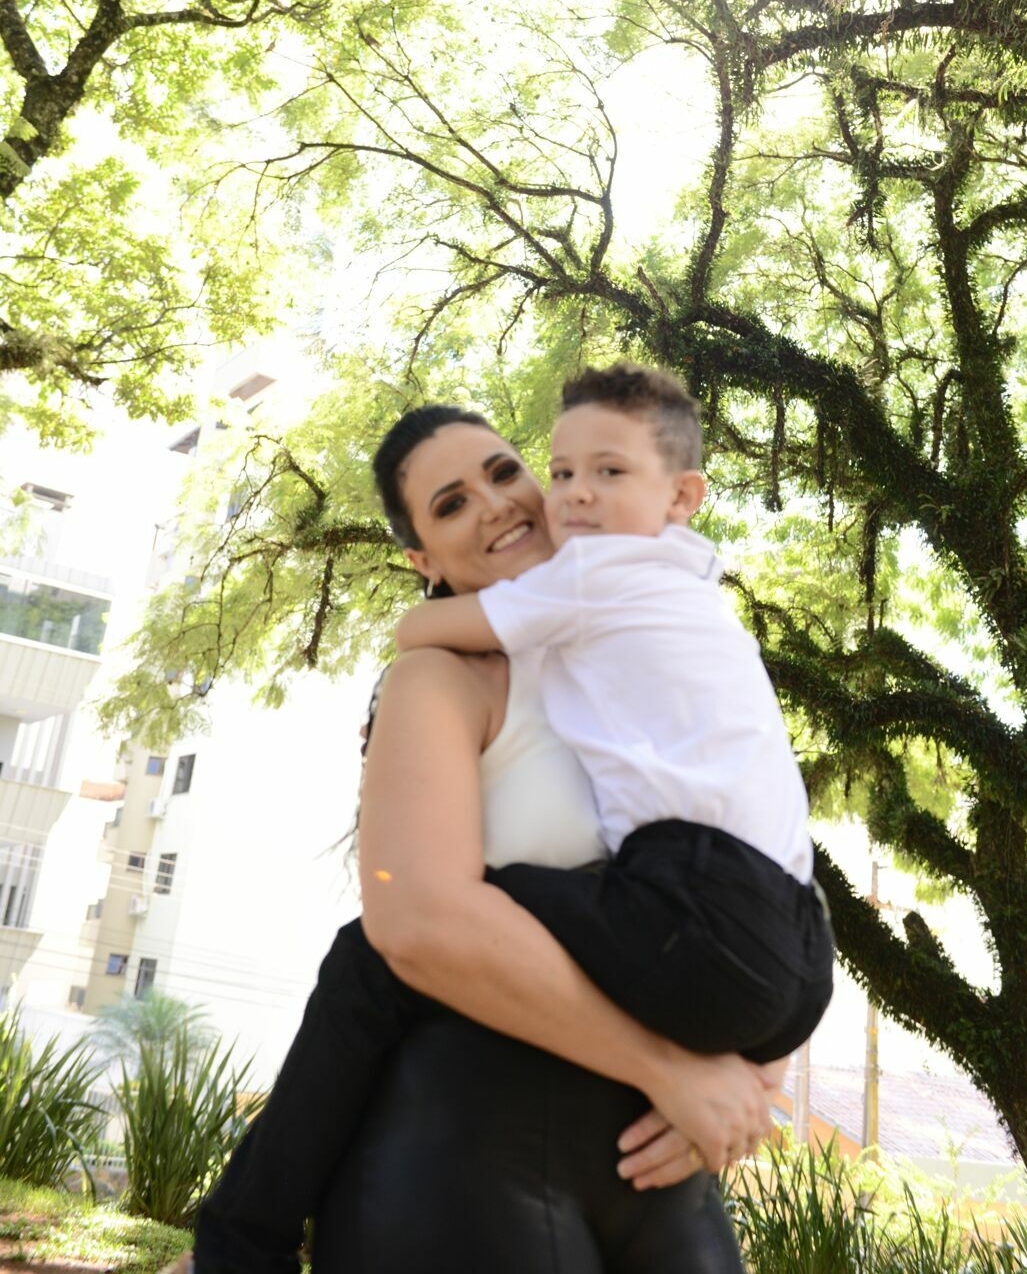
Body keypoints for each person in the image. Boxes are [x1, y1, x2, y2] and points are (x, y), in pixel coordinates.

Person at [193, 400, 784, 1274]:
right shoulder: (439, 676)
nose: (496, 503)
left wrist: (751, 1081)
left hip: (660, 1172)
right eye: (451, 503)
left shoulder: (665, 645)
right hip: (470, 1149)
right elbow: (412, 922)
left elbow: (771, 862)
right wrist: (670, 1069)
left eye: (504, 473)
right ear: (422, 560)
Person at [395, 362, 834, 1062]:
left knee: (466, 908)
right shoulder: (686, 578)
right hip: (801, 950)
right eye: (562, 473)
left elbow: (413, 633)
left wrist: (408, 679)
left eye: (608, 473)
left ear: (682, 494)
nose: (575, 495)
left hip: (698, 905)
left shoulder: (592, 575)